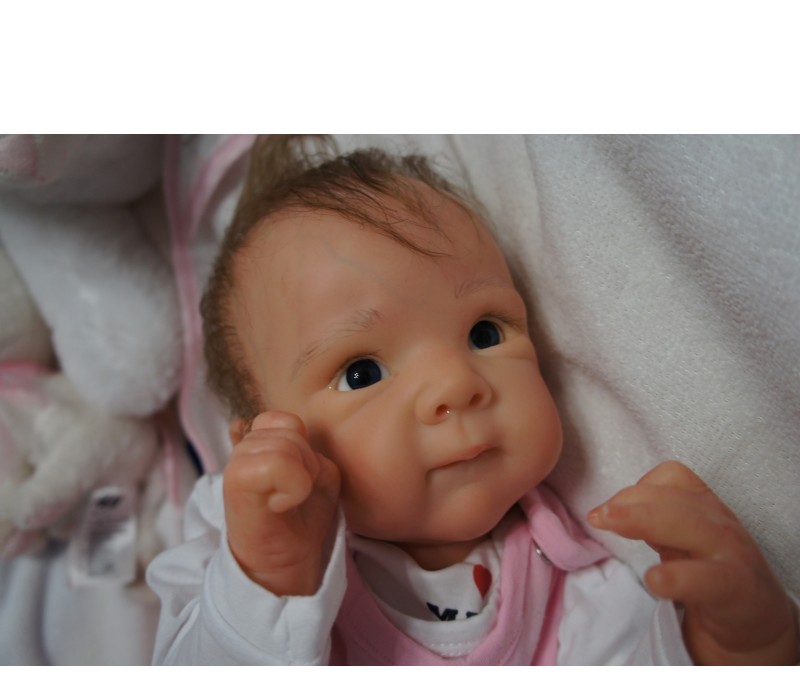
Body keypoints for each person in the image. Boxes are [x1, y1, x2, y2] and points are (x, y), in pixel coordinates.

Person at [146, 136, 798, 665]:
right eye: (362, 372)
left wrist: (736, 648)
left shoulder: (581, 573)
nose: (457, 384)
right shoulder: (231, 563)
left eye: (484, 334)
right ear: (261, 441)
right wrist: (266, 580)